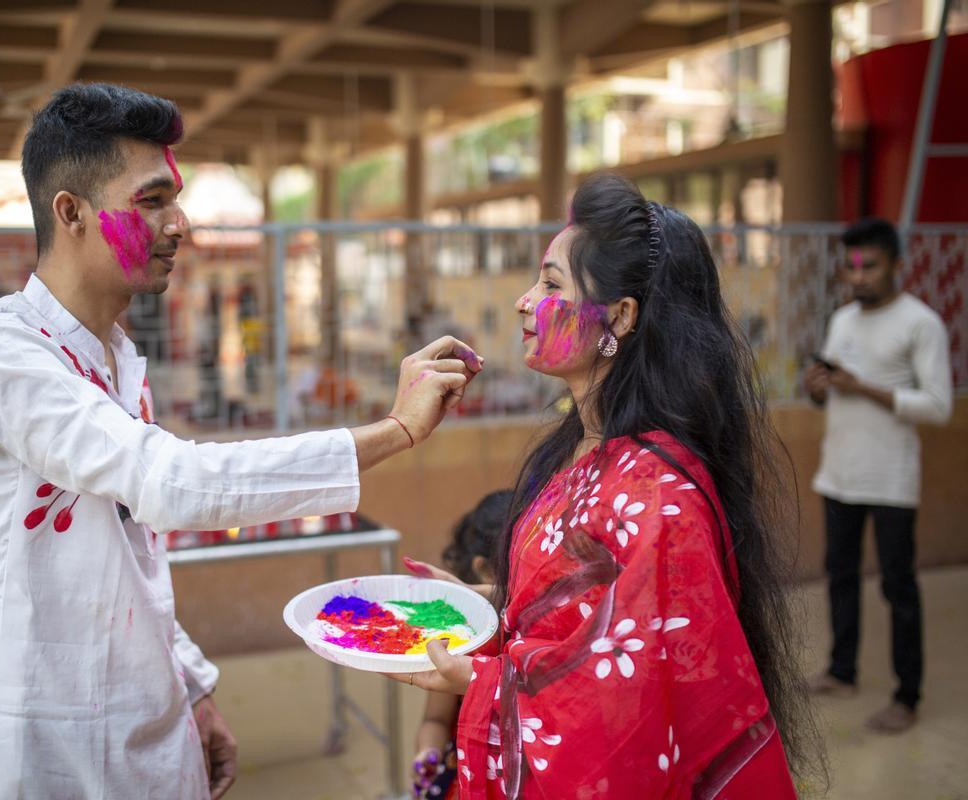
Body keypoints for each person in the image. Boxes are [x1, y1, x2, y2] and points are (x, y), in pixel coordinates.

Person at [0, 83, 481, 800]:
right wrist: (393, 431)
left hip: (148, 738)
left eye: (174, 200)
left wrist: (191, 690)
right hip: (38, 748)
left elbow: (133, 558)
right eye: (152, 201)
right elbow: (171, 482)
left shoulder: (117, 360)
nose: (179, 224)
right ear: (72, 214)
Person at [394, 174, 822, 798]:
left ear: (619, 317)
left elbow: (631, 693)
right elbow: (577, 607)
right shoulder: (577, 449)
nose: (522, 301)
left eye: (549, 284)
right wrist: (480, 601)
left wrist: (481, 682)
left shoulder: (658, 494)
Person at [803, 217, 952, 734]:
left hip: (891, 479)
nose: (858, 275)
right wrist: (818, 386)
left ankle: (906, 696)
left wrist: (862, 387)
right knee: (840, 578)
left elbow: (938, 406)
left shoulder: (921, 323)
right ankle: (842, 671)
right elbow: (828, 393)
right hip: (839, 473)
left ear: (896, 266)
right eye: (851, 266)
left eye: (870, 265)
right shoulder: (843, 320)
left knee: (898, 587)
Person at [407, 490, 511, 800]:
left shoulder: (549, 625)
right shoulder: (462, 637)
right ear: (484, 570)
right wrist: (427, 752)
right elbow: (435, 719)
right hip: (465, 777)